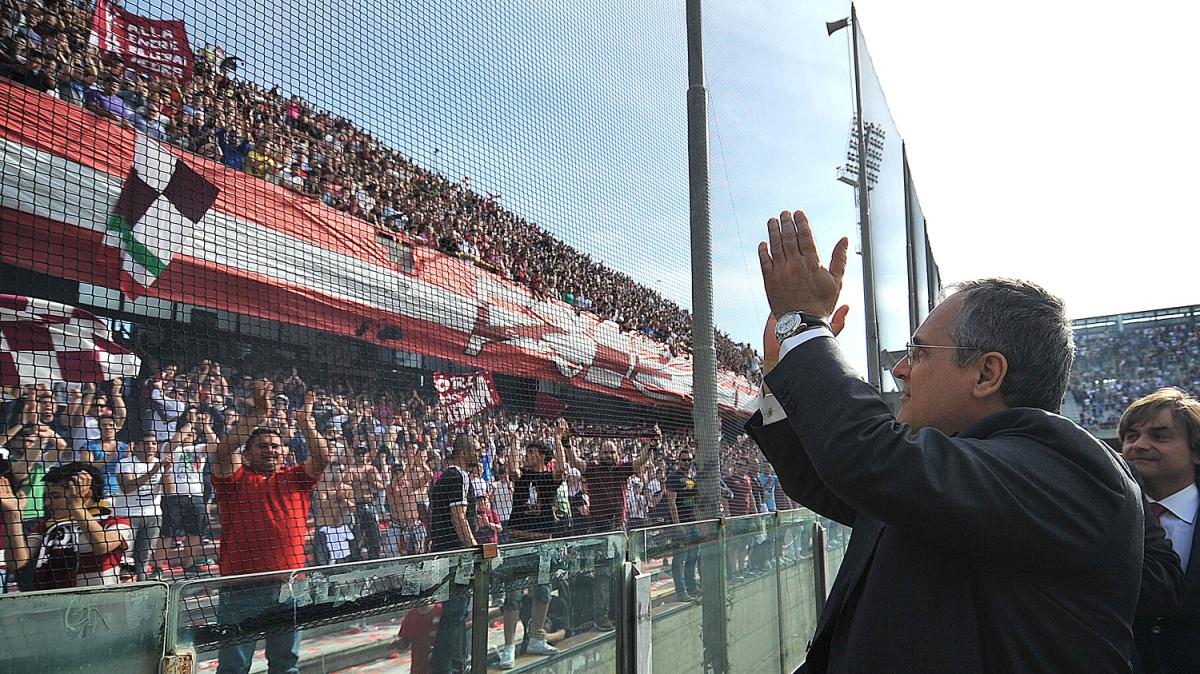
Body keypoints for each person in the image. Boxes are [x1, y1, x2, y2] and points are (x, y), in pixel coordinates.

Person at [747, 210, 1144, 672]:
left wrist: (804, 327)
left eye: (919, 352)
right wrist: (782, 372)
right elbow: (831, 478)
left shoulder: (1074, 472)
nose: (900, 369)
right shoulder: (941, 477)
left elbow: (868, 458)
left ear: (986, 373)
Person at [210, 382, 329, 674]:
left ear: (284, 451)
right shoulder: (234, 480)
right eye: (262, 446)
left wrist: (306, 423)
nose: (270, 450)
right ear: (248, 453)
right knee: (234, 667)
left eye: (275, 446)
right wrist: (258, 414)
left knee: (285, 665)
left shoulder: (296, 478)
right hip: (241, 588)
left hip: (290, 587)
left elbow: (322, 458)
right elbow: (224, 450)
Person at [1120, 387, 1200, 674]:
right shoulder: (1101, 517)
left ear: (1196, 452)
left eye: (1159, 436)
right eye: (1131, 437)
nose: (1139, 445)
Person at [565, 423, 655, 630]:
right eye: (605, 452)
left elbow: (640, 461)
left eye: (612, 452)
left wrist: (651, 446)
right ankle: (601, 616)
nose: (609, 455)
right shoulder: (593, 469)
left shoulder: (621, 469)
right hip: (599, 528)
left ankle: (616, 613)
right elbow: (575, 461)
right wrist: (567, 444)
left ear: (617, 454)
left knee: (619, 572)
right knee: (603, 573)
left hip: (619, 528)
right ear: (599, 454)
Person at [0, 462, 132, 589]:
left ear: (86, 494)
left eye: (55, 496)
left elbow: (102, 546)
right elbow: (16, 562)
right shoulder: (47, 526)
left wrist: (77, 507)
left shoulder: (115, 522)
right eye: (47, 497)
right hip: (56, 599)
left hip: (101, 599)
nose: (47, 503)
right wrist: (13, 516)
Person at [428, 433, 480, 674]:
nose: (479, 454)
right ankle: (447, 668)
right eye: (475, 450)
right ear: (463, 452)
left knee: (455, 613)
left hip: (443, 552)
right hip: (456, 555)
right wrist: (474, 549)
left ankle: (455, 665)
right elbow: (459, 517)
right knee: (455, 613)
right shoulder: (459, 476)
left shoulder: (444, 477)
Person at [111, 432, 172, 581]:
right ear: (136, 446)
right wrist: (152, 472)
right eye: (146, 443)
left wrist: (167, 471)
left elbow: (170, 491)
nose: (150, 446)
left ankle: (142, 584)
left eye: (153, 443)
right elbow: (127, 488)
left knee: (145, 556)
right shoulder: (125, 463)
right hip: (127, 515)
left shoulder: (159, 463)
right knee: (125, 555)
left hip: (153, 515)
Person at [665, 448, 701, 602]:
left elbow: (696, 502)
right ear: (678, 461)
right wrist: (677, 524)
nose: (686, 462)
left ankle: (692, 587)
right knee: (680, 557)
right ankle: (681, 591)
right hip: (681, 524)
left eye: (688, 460)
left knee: (693, 555)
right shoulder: (673, 478)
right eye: (683, 460)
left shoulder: (692, 478)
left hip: (692, 522)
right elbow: (671, 503)